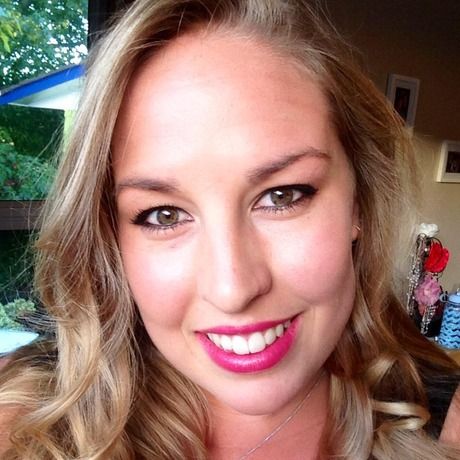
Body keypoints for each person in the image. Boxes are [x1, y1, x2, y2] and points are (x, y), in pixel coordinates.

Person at [0, 0, 459, 458]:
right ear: (110, 235)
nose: (233, 289)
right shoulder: (26, 424)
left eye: (282, 196)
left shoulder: (444, 424)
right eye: (163, 215)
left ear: (359, 202)